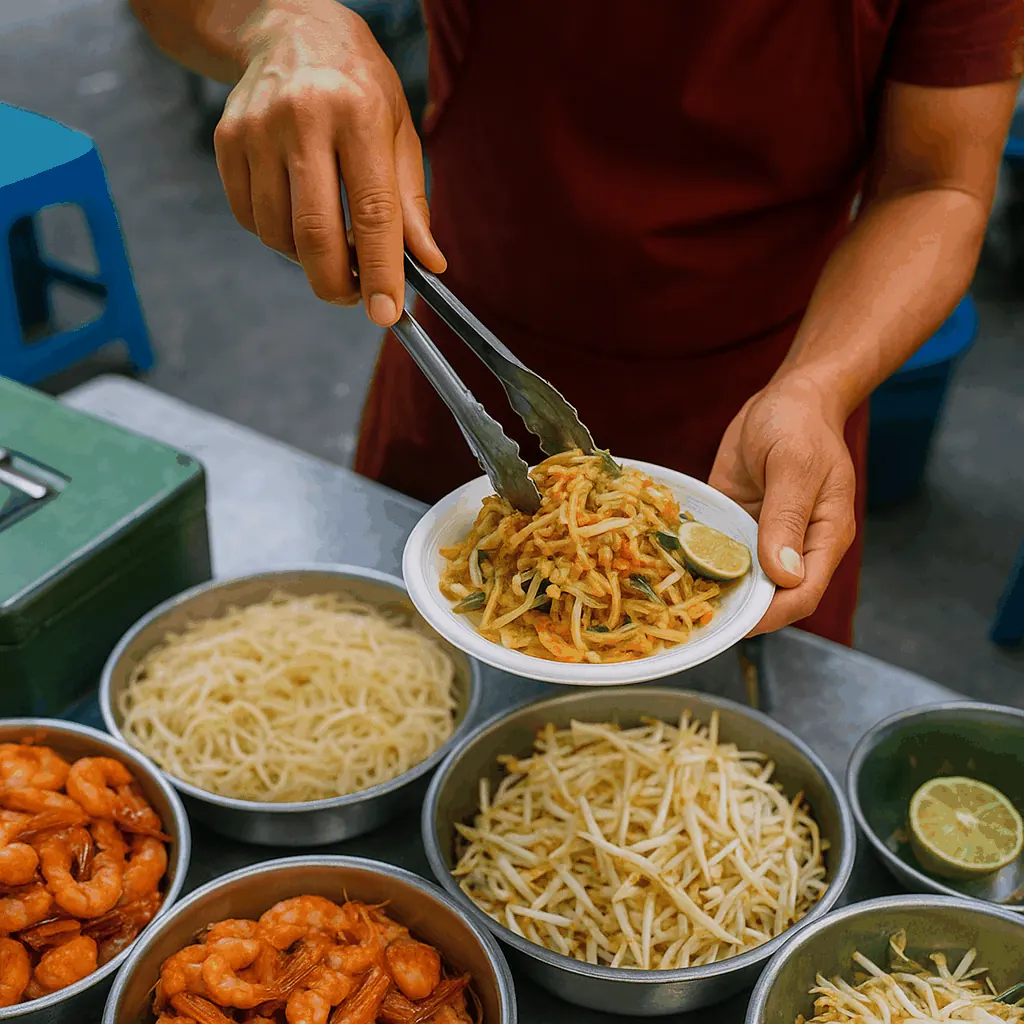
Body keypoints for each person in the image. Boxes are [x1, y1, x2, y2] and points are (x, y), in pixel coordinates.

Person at [132, 0, 1022, 645]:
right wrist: (278, 22)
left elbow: (937, 185)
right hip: (464, 373)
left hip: (773, 408)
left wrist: (817, 387)